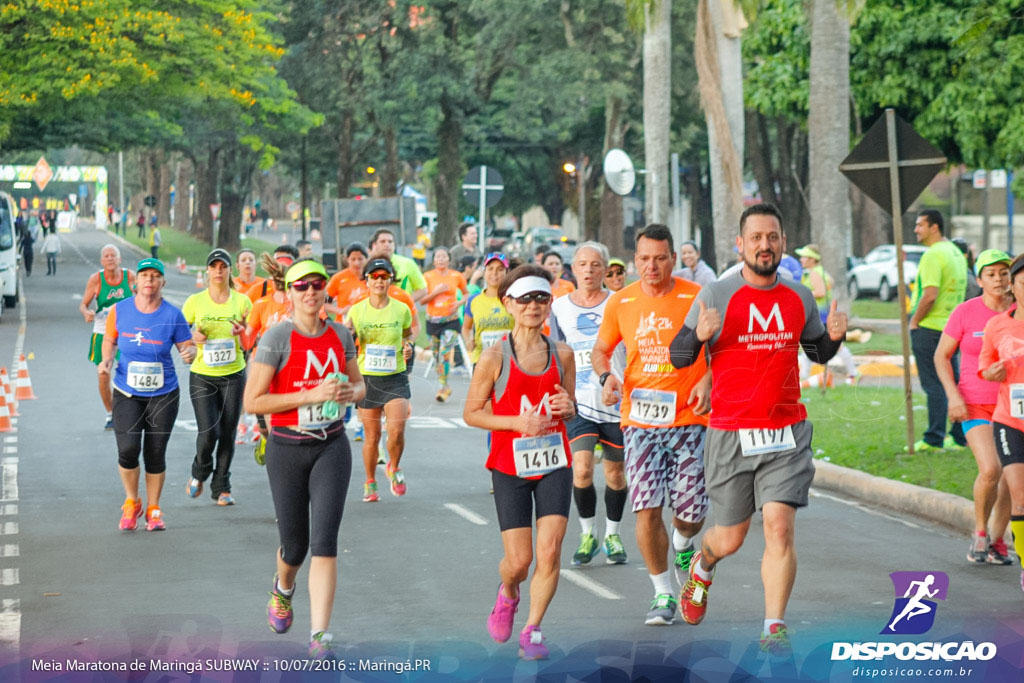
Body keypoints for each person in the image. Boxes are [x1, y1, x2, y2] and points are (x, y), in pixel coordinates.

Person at [669, 202, 848, 655]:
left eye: (772, 237)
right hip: (730, 432)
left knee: (779, 527)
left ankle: (773, 626)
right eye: (756, 238)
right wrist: (699, 336)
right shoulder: (715, 294)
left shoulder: (799, 297)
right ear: (741, 245)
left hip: (785, 432)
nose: (764, 245)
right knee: (730, 537)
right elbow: (679, 356)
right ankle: (703, 566)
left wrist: (834, 339)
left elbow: (816, 352)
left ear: (782, 243)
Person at [243, 257, 365, 659]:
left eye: (317, 285)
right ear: (290, 293)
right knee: (294, 547)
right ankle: (283, 589)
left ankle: (320, 634)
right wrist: (308, 396)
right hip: (287, 448)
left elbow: (360, 385)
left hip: (331, 445)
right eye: (302, 286)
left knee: (325, 542)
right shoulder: (277, 336)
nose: (311, 292)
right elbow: (252, 401)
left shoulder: (341, 334)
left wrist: (352, 394)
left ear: (326, 289)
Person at [592, 223, 711, 626]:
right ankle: (663, 594)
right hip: (639, 422)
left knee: (692, 512)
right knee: (646, 509)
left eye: (660, 258)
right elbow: (601, 350)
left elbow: (720, 350)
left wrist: (709, 380)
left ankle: (682, 543)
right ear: (634, 261)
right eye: (643, 258)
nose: (651, 266)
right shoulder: (621, 302)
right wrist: (607, 376)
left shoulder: (697, 297)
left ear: (673, 259)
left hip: (690, 420)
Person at [463, 264, 576, 661]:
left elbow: (568, 405)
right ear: (507, 303)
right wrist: (515, 422)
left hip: (554, 461)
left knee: (550, 550)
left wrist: (568, 406)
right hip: (509, 466)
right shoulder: (493, 358)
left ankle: (533, 629)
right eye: (525, 298)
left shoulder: (562, 354)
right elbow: (471, 413)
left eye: (542, 297)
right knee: (520, 561)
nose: (534, 305)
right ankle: (508, 592)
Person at [99, 258, 196, 532]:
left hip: (163, 394)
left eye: (155, 276)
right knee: (128, 450)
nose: (149, 281)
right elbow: (110, 339)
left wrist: (190, 353)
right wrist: (107, 359)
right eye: (145, 276)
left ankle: (153, 508)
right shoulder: (120, 311)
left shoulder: (172, 315)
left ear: (162, 282)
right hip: (127, 392)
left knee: (155, 453)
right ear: (136, 281)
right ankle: (132, 501)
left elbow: (187, 348)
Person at [550, 242, 629, 567]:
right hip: (579, 404)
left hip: (616, 402)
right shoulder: (560, 307)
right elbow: (557, 353)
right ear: (574, 268)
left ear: (604, 269)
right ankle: (587, 533)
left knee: (615, 474)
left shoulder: (620, 303)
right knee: (581, 470)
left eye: (596, 264)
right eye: (583, 264)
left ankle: (612, 534)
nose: (589, 270)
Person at [936, 249, 1015, 566]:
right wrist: (953, 397)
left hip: (1012, 406)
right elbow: (941, 356)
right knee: (991, 469)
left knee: (1013, 476)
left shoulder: (1019, 313)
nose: (998, 279)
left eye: (1003, 272)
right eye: (991, 274)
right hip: (975, 404)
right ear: (979, 279)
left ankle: (998, 539)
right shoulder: (966, 312)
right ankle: (980, 531)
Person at [183, 249, 253, 506]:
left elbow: (250, 338)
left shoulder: (242, 302)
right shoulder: (195, 301)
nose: (219, 271)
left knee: (228, 432)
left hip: (233, 374)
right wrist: (193, 337)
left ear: (229, 270)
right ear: (208, 271)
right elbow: (181, 334)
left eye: (223, 266)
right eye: (214, 266)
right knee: (208, 430)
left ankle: (222, 486)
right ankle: (199, 472)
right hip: (203, 374)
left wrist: (242, 332)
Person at [346, 258, 414, 503]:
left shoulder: (401, 308)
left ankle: (393, 467)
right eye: (374, 277)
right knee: (372, 435)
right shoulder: (357, 310)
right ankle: (369, 481)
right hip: (368, 377)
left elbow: (409, 335)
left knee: (396, 430)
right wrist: (351, 335)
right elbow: (348, 338)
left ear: (390, 280)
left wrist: (409, 347)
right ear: (367, 281)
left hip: (395, 376)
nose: (379, 281)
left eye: (384, 277)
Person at [979, 254, 1024, 592]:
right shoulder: (998, 325)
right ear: (1014, 286)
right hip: (1011, 420)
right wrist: (991, 372)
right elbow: (986, 365)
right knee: (1020, 498)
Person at [910, 210, 968, 452]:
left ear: (935, 227)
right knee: (953, 382)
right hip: (952, 329)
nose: (916, 230)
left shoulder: (933, 255)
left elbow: (930, 295)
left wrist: (915, 321)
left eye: (920, 225)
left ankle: (934, 438)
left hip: (930, 327)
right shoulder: (955, 252)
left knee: (934, 384)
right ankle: (958, 437)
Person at [81, 245, 136, 430]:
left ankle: (130, 410)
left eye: (114, 255)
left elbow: (143, 297)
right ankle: (110, 412)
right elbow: (84, 304)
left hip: (126, 331)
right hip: (103, 331)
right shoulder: (96, 280)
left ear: (120, 259)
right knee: (103, 374)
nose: (110, 258)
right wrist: (86, 312)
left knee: (129, 371)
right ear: (101, 261)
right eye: (106, 256)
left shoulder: (130, 277)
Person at [795, 244, 859, 385]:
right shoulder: (821, 271)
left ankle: (854, 372)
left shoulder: (813, 273)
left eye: (804, 256)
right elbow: (831, 283)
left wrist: (802, 294)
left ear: (812, 259)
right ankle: (804, 376)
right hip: (822, 315)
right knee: (810, 346)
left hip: (818, 317)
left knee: (827, 346)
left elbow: (821, 292)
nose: (801, 259)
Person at [422, 247, 468, 402]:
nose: (441, 259)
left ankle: (443, 387)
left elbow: (467, 293)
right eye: (438, 256)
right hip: (432, 321)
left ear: (449, 259)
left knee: (444, 353)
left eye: (444, 256)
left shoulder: (457, 276)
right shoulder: (427, 276)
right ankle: (445, 385)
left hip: (451, 321)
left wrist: (459, 303)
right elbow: (422, 300)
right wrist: (437, 292)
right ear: (434, 260)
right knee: (436, 357)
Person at [463, 253, 514, 364]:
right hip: (481, 361)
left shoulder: (514, 299)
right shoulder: (474, 300)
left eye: (500, 269)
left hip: (509, 362)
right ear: (484, 272)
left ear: (507, 272)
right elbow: (466, 328)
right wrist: (468, 340)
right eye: (490, 269)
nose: (494, 273)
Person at [368, 228, 427, 303]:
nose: (387, 244)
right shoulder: (368, 264)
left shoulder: (407, 263)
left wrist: (405, 303)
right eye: (383, 241)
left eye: (390, 242)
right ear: (374, 245)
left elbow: (423, 289)